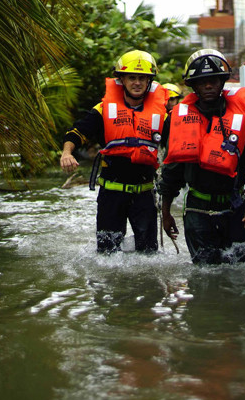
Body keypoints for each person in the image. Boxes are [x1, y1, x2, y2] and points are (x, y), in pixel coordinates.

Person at [158, 49, 245, 264]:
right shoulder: (178, 120)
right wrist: (165, 213)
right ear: (194, 86)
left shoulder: (243, 119)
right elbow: (171, 171)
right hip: (197, 210)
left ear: (222, 83)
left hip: (235, 207)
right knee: (205, 277)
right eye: (202, 82)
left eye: (213, 80)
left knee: (240, 274)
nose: (208, 86)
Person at [60, 50, 169, 254]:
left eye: (142, 78)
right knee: (107, 256)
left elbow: (182, 141)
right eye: (132, 78)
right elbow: (76, 132)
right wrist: (67, 153)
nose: (137, 83)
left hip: (144, 195)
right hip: (111, 194)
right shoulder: (103, 109)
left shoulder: (162, 114)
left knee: (149, 256)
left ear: (149, 82)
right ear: (122, 80)